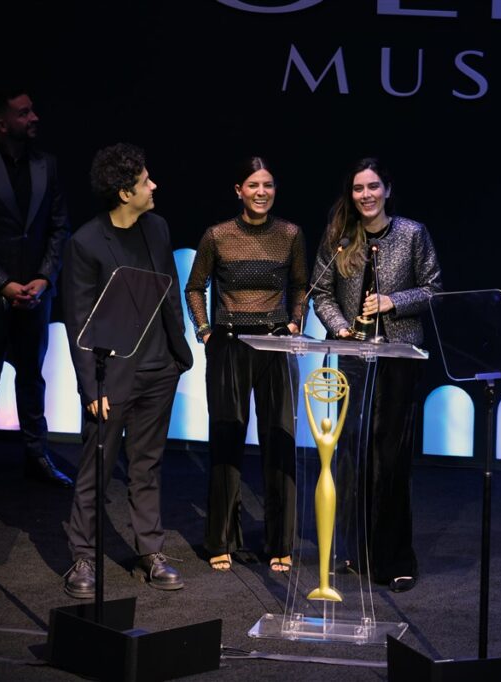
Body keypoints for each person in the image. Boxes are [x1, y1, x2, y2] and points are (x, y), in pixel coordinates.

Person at [60, 143, 194, 598]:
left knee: (147, 465)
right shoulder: (85, 243)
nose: (154, 185)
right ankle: (82, 556)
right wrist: (88, 387)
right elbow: (79, 321)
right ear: (124, 192)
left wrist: (177, 356)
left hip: (159, 369)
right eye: (144, 181)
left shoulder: (157, 227)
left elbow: (169, 291)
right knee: (95, 468)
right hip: (111, 377)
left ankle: (149, 551)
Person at [310, 157, 443, 593]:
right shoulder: (339, 237)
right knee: (353, 453)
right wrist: (340, 328)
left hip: (399, 357)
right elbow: (321, 293)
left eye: (372, 187)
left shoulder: (412, 233)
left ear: (387, 189)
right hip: (353, 357)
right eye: (358, 188)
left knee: (390, 458)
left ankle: (395, 560)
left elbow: (433, 290)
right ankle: (355, 551)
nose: (365, 195)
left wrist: (392, 302)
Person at [184, 157, 307, 573]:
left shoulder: (290, 234)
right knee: (226, 440)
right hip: (230, 343)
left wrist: (295, 321)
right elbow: (194, 287)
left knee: (280, 440)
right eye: (253, 185)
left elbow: (301, 285)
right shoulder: (217, 235)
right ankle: (221, 539)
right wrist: (205, 331)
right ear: (238, 190)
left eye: (268, 184)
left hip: (275, 343)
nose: (261, 192)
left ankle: (280, 543)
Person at [0, 90, 72, 494]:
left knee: (32, 377)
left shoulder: (46, 165)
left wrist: (44, 277)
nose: (34, 117)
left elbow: (59, 226)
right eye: (24, 113)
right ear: (2, 124)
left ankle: (37, 454)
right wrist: (2, 284)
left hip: (36, 292)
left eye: (32, 110)